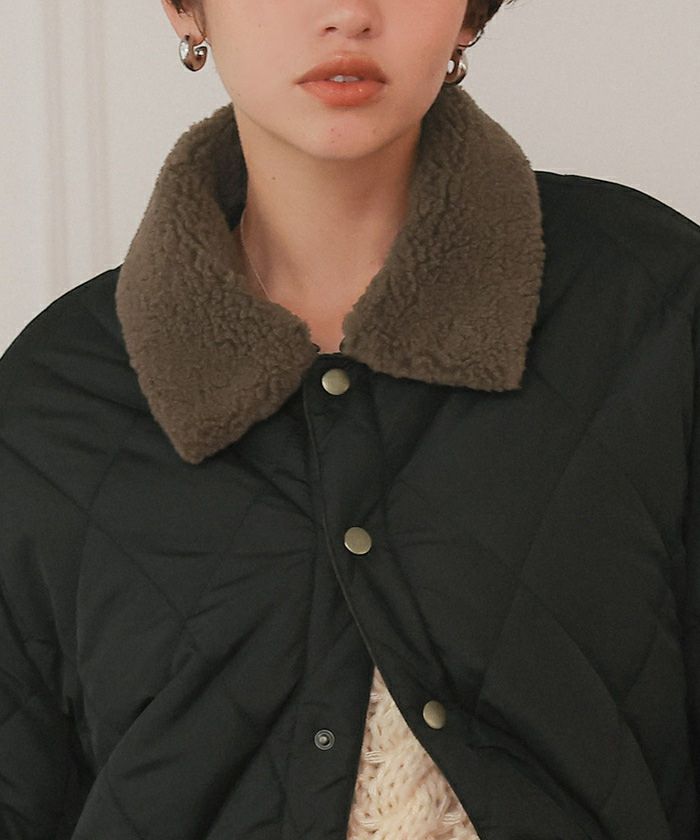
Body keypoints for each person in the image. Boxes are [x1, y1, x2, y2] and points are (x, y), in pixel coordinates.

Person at [1, 0, 699, 837]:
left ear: (467, 14)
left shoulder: (650, 307)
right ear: (186, 11)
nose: (347, 14)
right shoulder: (52, 402)